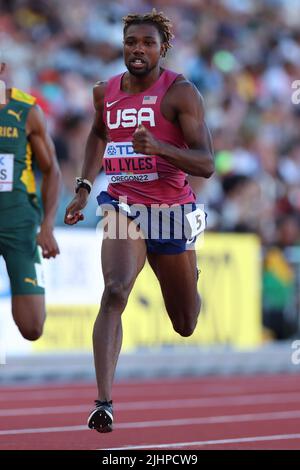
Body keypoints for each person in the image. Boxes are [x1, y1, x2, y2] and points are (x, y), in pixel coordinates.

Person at [65, 10, 214, 433]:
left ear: (162, 49)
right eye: (132, 42)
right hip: (122, 205)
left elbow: (207, 163)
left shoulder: (181, 93)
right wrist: (82, 188)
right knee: (114, 291)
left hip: (170, 212)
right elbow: (99, 133)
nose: (138, 50)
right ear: (123, 44)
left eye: (148, 43)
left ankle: (190, 270)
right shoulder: (105, 92)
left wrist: (163, 148)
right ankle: (104, 403)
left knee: (185, 323)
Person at [0, 61, 61, 341]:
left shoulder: (26, 111)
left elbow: (51, 170)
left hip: (19, 223)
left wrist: (47, 226)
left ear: (2, 69)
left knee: (32, 326)